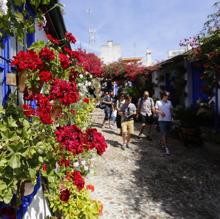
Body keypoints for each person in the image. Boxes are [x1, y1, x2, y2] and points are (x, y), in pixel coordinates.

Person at [155, 91, 173, 155]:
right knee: (164, 134)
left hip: (169, 120)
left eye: (168, 96)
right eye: (166, 96)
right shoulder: (158, 102)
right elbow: (155, 110)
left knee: (167, 135)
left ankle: (163, 143)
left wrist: (172, 118)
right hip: (162, 120)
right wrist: (160, 112)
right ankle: (166, 148)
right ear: (163, 96)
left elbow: (171, 110)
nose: (167, 97)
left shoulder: (169, 102)